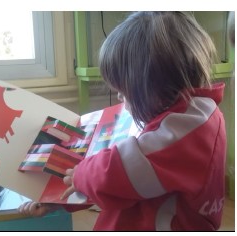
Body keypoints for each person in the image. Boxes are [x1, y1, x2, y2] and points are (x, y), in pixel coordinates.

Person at [18, 11, 227, 231]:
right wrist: (61, 199)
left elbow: (119, 172)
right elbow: (128, 186)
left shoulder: (188, 127)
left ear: (152, 88)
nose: (119, 98)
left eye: (124, 92)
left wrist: (81, 175)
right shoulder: (185, 117)